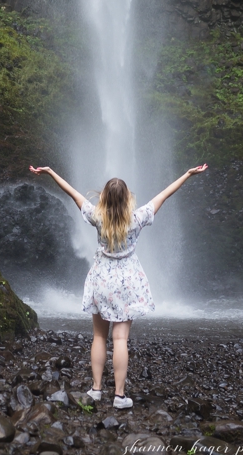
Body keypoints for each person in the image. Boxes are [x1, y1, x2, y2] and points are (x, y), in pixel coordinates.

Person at [30, 163, 208, 409]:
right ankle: (120, 396)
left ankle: (95, 390)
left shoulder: (97, 217)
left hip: (101, 281)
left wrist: (50, 173)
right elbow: (164, 195)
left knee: (99, 337)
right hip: (127, 284)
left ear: (104, 198)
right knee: (121, 338)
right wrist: (187, 174)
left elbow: (73, 194)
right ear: (127, 199)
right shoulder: (136, 219)